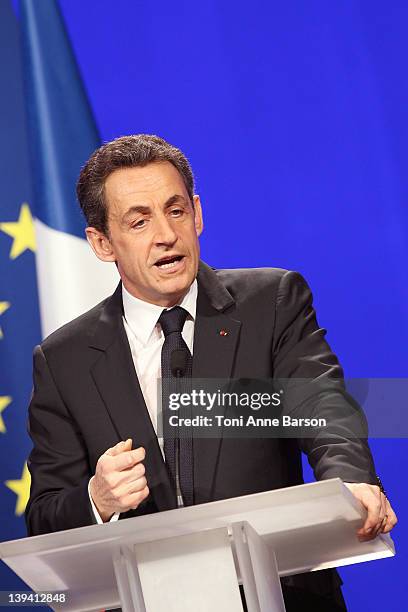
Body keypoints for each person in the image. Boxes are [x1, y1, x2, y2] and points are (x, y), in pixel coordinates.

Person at [25, 134, 397, 611]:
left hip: (281, 595)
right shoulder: (64, 360)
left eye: (175, 210)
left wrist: (352, 479)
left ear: (197, 213)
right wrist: (97, 499)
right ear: (101, 243)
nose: (166, 235)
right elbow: (45, 518)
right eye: (139, 221)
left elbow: (321, 406)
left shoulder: (273, 302)